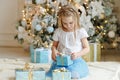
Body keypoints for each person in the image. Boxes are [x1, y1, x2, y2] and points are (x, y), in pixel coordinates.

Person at [46, 4, 90, 79]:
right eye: (65, 23)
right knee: (58, 73)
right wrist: (54, 51)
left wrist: (78, 54)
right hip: (62, 61)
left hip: (75, 60)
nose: (68, 26)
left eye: (71, 23)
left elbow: (87, 48)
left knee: (74, 72)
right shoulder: (59, 31)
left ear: (76, 19)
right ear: (61, 21)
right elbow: (54, 46)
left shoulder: (80, 31)